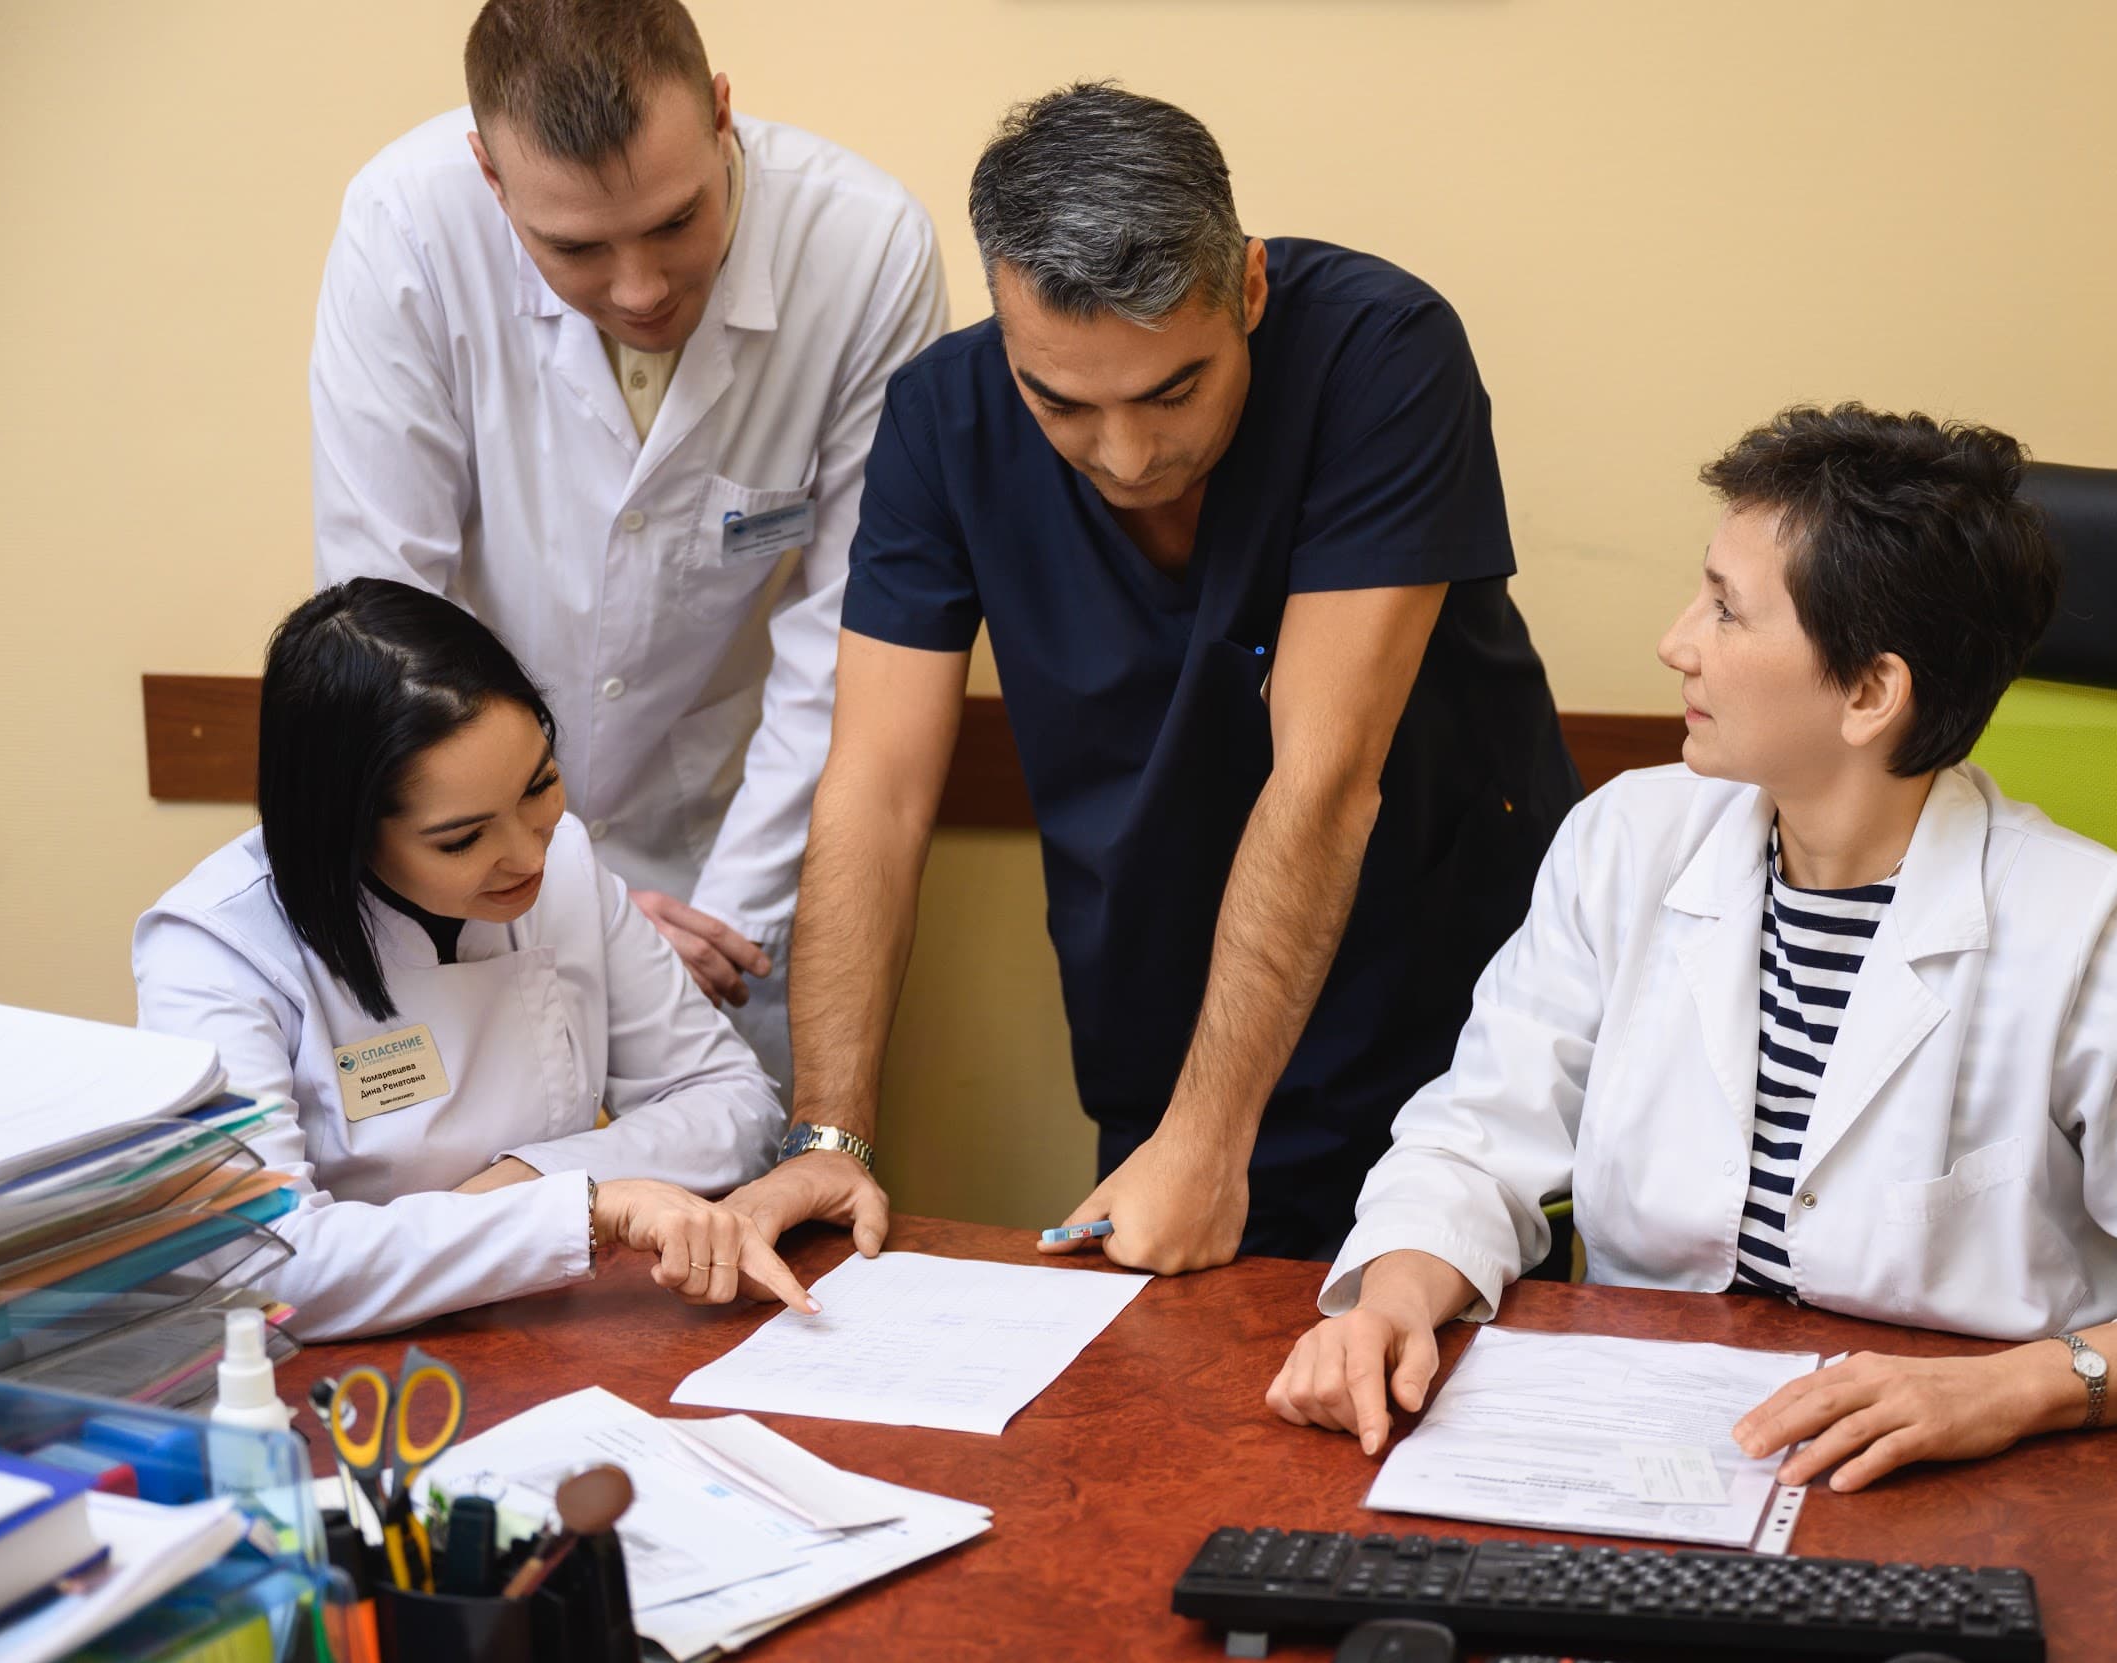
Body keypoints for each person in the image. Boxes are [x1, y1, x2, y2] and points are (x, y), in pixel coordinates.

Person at [1268, 405, 2117, 1487]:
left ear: (1868, 693)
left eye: (1725, 611)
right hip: (1644, 1455)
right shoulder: (1626, 841)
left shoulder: (2096, 933)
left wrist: (2013, 1389)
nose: (1675, 643)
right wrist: (1394, 1299)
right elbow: (1476, 1141)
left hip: (1974, 1487)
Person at [717, 83, 1580, 1274]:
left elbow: (1323, 779)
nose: (1126, 456)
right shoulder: (941, 419)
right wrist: (827, 1133)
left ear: (1251, 288)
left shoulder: (1381, 353)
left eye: (1174, 390)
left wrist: (1211, 1142)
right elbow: (875, 790)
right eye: (1061, 402)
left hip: (1450, 1049)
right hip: (1164, 1034)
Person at [311, 0, 947, 1086]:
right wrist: (564, 899)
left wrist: (718, 922)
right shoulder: (406, 227)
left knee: (726, 1169)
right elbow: (387, 620)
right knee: (489, 1179)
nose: (642, 289)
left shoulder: (865, 249)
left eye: (676, 221)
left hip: (729, 861)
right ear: (490, 175)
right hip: (470, 864)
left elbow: (845, 635)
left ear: (721, 115)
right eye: (574, 247)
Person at [134, 580, 814, 1340]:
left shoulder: (566, 864)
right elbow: (264, 1263)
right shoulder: (215, 948)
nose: (528, 855)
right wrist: (583, 1208)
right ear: (344, 834)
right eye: (462, 839)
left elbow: (736, 1104)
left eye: (541, 785)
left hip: (544, 1329)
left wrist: (530, 1176)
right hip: (338, 1373)